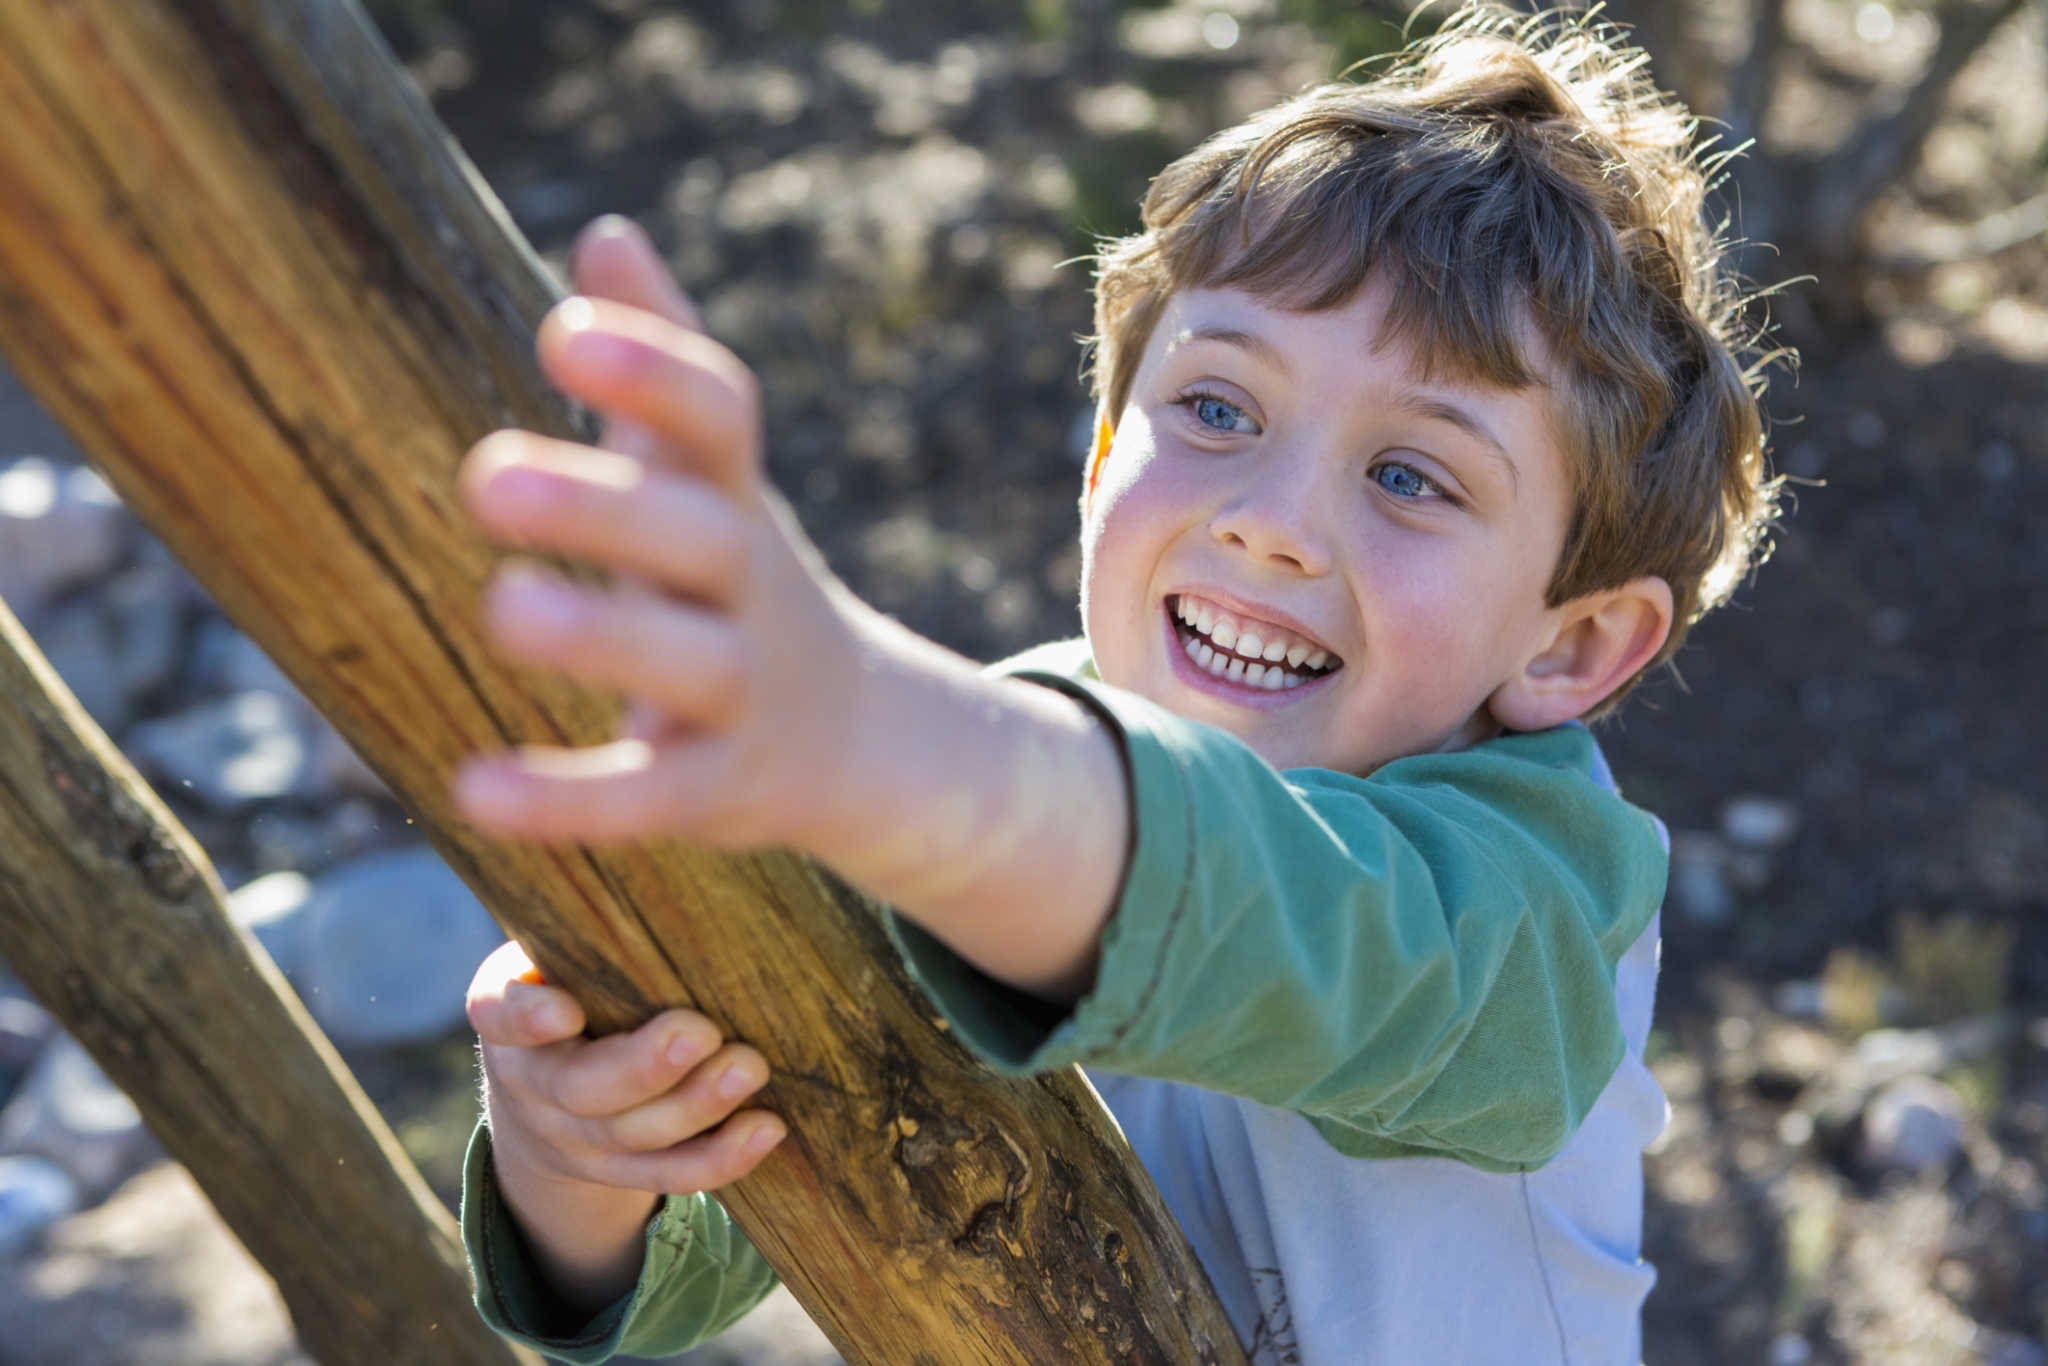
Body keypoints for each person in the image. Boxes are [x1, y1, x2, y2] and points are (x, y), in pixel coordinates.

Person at [453, 8, 1778, 1364]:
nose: (1272, 523)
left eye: (1410, 476)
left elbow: (1319, 933)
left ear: (1567, 643)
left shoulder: (1538, 890)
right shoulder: (985, 762)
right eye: (1216, 408)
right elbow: (750, 1192)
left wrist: (876, 732)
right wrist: (581, 1160)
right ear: (1103, 452)